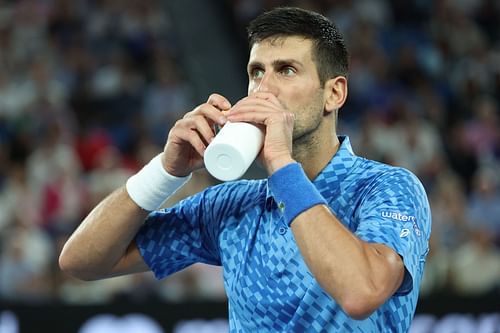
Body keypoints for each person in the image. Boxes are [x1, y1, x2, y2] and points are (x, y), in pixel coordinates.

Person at [59, 7, 431, 332]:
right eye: (256, 72)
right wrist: (165, 172)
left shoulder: (387, 187)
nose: (263, 89)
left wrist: (281, 165)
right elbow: (81, 262)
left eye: (286, 70)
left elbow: (360, 292)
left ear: (334, 93)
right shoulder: (229, 205)